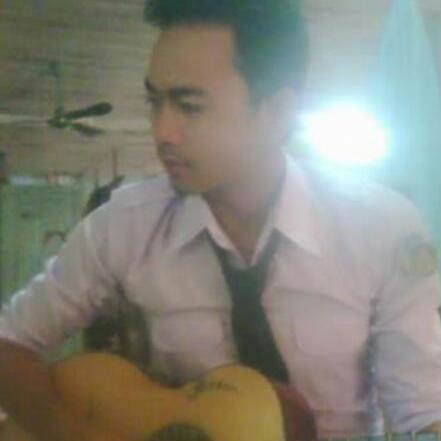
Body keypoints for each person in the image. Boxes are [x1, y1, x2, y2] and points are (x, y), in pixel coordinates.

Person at [0, 0, 441, 440]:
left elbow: (423, 411)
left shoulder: (381, 229)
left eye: (189, 106)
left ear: (276, 111)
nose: (161, 131)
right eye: (155, 101)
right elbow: (9, 342)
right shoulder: (121, 228)